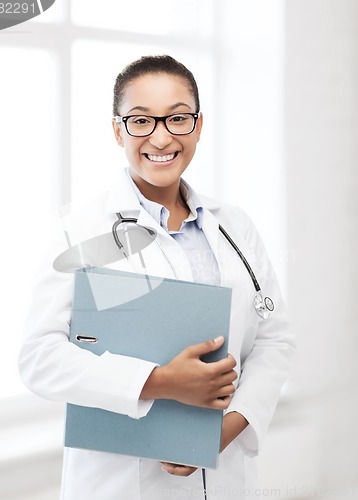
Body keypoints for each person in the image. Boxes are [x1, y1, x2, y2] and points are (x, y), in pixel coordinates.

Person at [19, 55, 295, 500]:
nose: (161, 137)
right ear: (117, 130)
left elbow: (274, 340)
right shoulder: (81, 231)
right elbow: (39, 357)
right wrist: (160, 382)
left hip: (226, 479)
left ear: (199, 125)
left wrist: (225, 430)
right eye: (141, 121)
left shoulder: (235, 226)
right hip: (122, 483)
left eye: (178, 118)